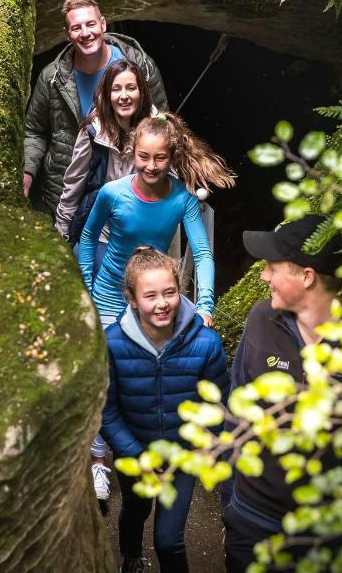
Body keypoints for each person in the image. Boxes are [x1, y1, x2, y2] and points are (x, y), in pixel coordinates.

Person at [78, 111, 234, 510]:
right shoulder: (112, 193)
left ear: (171, 157)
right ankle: (99, 461)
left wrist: (204, 304)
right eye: (143, 157)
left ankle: (150, 453)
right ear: (132, 153)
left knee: (145, 376)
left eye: (159, 158)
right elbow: (87, 239)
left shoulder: (182, 199)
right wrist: (84, 290)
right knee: (106, 377)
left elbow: (201, 253)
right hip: (110, 296)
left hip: (154, 297)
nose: (150, 166)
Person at [222, 215, 342, 572]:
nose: (263, 276)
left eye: (273, 267)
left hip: (331, 535)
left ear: (307, 276)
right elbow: (236, 407)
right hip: (254, 520)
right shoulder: (261, 319)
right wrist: (232, 504)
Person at [101, 246, 230, 573]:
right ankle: (130, 557)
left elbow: (217, 403)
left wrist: (204, 445)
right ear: (132, 298)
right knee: (134, 511)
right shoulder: (112, 344)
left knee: (168, 540)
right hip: (135, 453)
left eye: (170, 293)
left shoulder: (206, 344)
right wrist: (136, 454)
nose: (162, 303)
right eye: (151, 295)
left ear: (180, 291)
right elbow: (106, 408)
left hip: (182, 456)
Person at [23, 0, 168, 218]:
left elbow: (162, 123)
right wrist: (27, 173)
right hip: (67, 192)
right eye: (76, 27)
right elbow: (34, 130)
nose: (85, 33)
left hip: (128, 188)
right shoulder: (52, 78)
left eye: (91, 24)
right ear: (67, 34)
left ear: (103, 24)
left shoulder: (140, 67)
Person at [54, 58, 156, 245]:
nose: (124, 96)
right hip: (100, 232)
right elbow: (73, 184)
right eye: (116, 89)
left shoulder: (156, 131)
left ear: (141, 92)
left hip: (143, 233)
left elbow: (169, 179)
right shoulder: (93, 133)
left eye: (131, 88)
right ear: (107, 94)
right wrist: (61, 235)